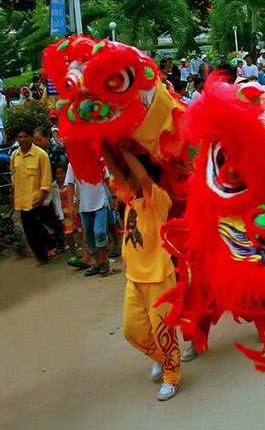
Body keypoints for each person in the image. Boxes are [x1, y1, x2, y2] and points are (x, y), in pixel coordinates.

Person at [102, 144, 181, 400]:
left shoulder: (158, 198)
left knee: (163, 331)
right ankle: (161, 358)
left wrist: (125, 150)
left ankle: (172, 377)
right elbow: (114, 168)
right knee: (131, 330)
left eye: (131, 173)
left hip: (159, 277)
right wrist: (102, 138)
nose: (126, 177)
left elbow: (143, 176)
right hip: (134, 278)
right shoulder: (128, 196)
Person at [11, 126, 59, 263]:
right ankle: (42, 255)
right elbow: (14, 176)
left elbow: (46, 176)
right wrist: (13, 194)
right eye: (20, 137)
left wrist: (43, 194)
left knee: (35, 225)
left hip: (36, 196)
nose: (23, 139)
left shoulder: (40, 155)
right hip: (21, 198)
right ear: (16, 139)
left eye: (25, 136)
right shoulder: (15, 155)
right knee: (29, 229)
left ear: (30, 137)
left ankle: (50, 246)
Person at [66, 163, 112, 277]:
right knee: (88, 237)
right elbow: (70, 184)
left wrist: (114, 197)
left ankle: (104, 259)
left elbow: (107, 180)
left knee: (99, 232)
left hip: (100, 203)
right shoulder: (73, 163)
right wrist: (70, 204)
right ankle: (98, 263)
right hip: (84, 207)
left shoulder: (97, 159)